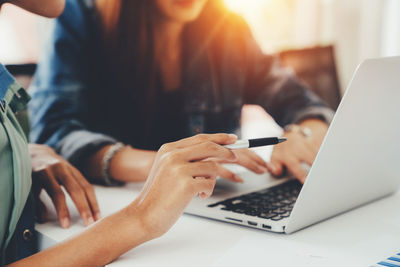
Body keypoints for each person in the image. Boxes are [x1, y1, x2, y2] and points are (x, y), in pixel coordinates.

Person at [0, 1, 240, 265]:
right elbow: (55, 126)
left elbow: (282, 90)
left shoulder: (226, 23)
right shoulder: (84, 16)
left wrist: (23, 154)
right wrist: (140, 216)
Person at [28, 0, 334, 188]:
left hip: (213, 206)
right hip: (118, 213)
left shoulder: (228, 28)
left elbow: (300, 101)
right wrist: (166, 165)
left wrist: (304, 136)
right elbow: (53, 132)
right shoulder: (81, 17)